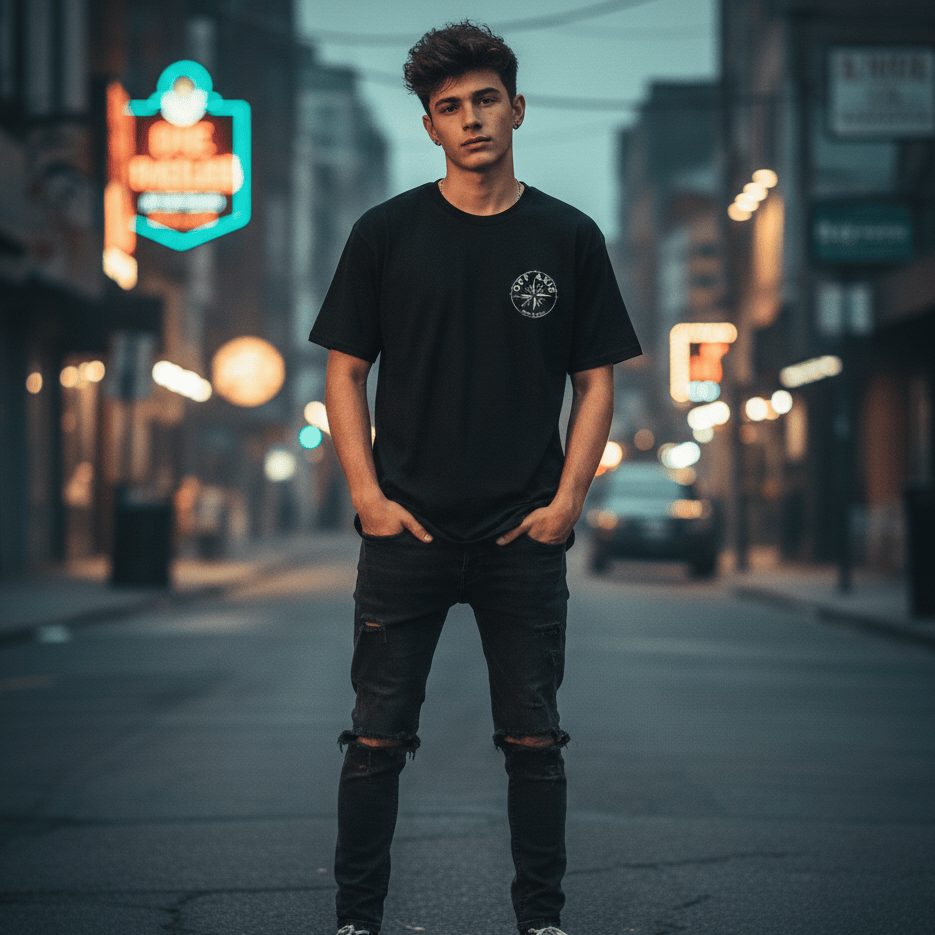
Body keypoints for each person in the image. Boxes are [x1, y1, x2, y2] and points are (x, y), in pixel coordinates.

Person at [309, 21, 641, 935]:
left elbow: (595, 382)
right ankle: (355, 921)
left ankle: (541, 921)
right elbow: (343, 371)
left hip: (520, 535)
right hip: (406, 532)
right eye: (449, 106)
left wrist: (566, 504)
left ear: (516, 108)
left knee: (534, 741)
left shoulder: (567, 236)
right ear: (429, 126)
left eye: (485, 99)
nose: (471, 119)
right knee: (375, 739)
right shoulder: (385, 232)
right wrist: (368, 498)